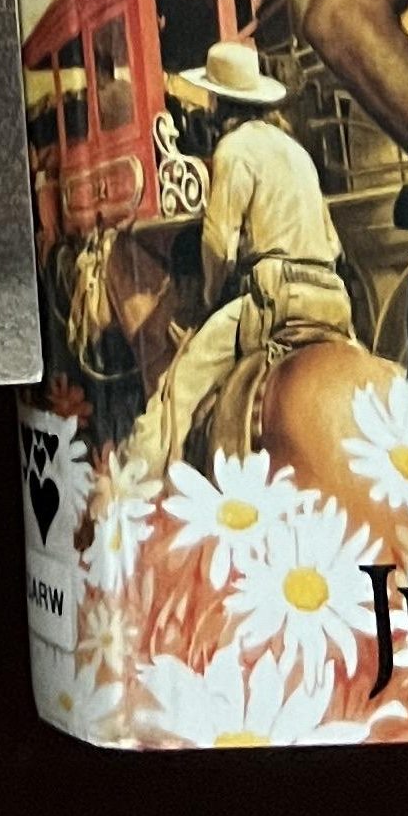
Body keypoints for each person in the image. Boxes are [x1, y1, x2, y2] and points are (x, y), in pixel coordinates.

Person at [110, 40, 352, 492]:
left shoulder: (234, 149)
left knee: (180, 387)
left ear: (219, 103)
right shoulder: (295, 151)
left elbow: (218, 243)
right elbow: (333, 242)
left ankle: (135, 490)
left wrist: (209, 298)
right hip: (333, 300)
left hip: (276, 298)